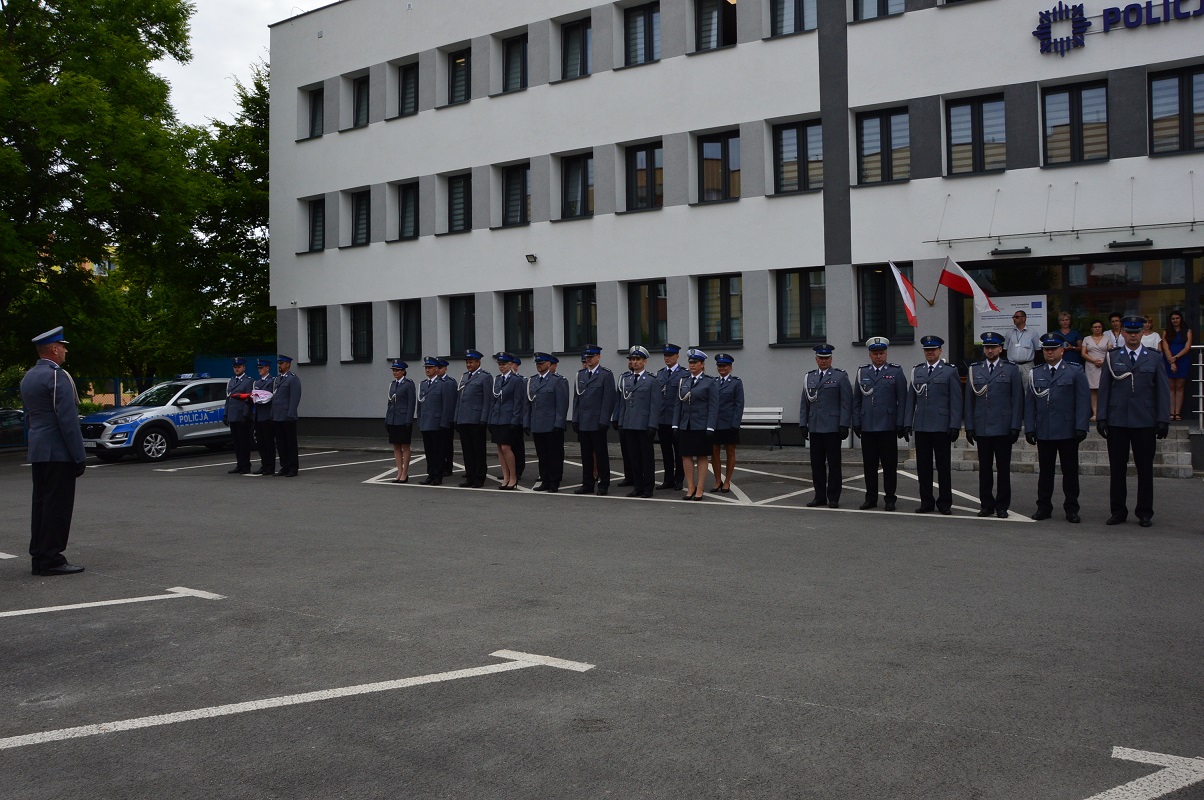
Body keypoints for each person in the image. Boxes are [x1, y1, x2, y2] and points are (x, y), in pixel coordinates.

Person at [20, 326, 87, 576]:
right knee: (57, 507)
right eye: (63, 347)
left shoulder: (28, 377)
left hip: (39, 449)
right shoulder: (58, 376)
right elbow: (67, 420)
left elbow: (30, 417)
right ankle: (52, 558)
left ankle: (40, 555)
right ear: (54, 349)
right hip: (59, 451)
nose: (66, 351)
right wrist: (79, 456)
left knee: (42, 505)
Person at [1097, 315, 1171, 527]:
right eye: (1128, 332)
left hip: (1145, 422)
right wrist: (1102, 417)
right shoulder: (1112, 357)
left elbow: (1163, 391)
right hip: (1118, 421)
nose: (1132, 336)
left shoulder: (1154, 358)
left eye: (1136, 332)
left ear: (1142, 333)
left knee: (1145, 469)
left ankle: (1145, 512)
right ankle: (1118, 511)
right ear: (1123, 333)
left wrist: (1163, 419)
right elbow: (1105, 389)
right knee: (1117, 469)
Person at [1025, 333, 1091, 523]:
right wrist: (1030, 427)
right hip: (1044, 430)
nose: (1050, 352)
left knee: (1070, 472)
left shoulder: (1074, 371)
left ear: (1062, 350)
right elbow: (1030, 404)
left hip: (1068, 430)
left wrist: (1081, 426)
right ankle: (1043, 507)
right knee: (1045, 473)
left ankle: (1071, 508)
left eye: (1053, 349)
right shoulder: (1036, 373)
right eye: (1046, 349)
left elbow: (1083, 401)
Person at [964, 332, 1023, 519]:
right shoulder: (975, 369)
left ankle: (1002, 505)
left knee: (1003, 469)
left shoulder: (1011, 369)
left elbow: (1017, 399)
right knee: (985, 469)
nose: (989, 350)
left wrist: (1015, 426)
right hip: (982, 426)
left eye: (993, 347)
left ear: (1000, 348)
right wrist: (969, 426)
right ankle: (986, 504)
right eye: (987, 347)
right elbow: (969, 401)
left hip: (1003, 427)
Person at [851, 336, 909, 511]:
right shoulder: (862, 372)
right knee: (869, 466)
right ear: (870, 354)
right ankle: (871, 498)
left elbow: (903, 400)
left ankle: (890, 499)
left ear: (886, 353)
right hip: (868, 425)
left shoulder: (896, 372)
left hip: (888, 426)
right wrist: (857, 422)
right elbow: (857, 400)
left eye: (881, 353)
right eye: (875, 353)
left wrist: (901, 423)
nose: (879, 356)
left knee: (889, 466)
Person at [909, 336, 962, 516]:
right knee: (923, 466)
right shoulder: (917, 371)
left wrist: (955, 424)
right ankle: (926, 501)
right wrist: (908, 422)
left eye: (933, 349)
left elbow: (956, 400)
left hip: (941, 425)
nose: (930, 352)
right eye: (927, 350)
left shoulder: (949, 371)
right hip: (922, 425)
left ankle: (945, 502)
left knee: (943, 466)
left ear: (940, 351)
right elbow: (911, 400)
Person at [800, 343, 852, 509]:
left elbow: (846, 402)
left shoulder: (840, 376)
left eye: (826, 358)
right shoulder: (810, 377)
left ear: (831, 358)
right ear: (816, 359)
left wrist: (844, 424)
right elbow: (804, 403)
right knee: (817, 465)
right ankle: (819, 496)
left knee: (834, 465)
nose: (824, 361)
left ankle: (834, 497)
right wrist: (803, 424)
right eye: (821, 358)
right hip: (815, 427)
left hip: (832, 427)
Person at [612, 346, 659, 497]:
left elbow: (655, 405)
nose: (635, 362)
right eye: (632, 359)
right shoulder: (626, 380)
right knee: (634, 457)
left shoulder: (652, 380)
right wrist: (620, 422)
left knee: (646, 458)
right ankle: (637, 486)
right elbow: (624, 403)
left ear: (644, 361)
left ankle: (648, 488)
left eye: (638, 359)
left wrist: (652, 425)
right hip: (629, 424)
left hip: (644, 425)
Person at [672, 348, 719, 500]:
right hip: (686, 424)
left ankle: (700, 487)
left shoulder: (709, 382)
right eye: (690, 362)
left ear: (702, 364)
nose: (692, 365)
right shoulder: (683, 381)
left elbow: (713, 406)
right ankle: (690, 486)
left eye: (695, 362)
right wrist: (675, 424)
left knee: (701, 456)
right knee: (685, 455)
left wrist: (710, 426)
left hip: (701, 425)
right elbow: (678, 404)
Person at [572, 344, 616, 495]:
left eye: (591, 357)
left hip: (597, 422)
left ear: (598, 357)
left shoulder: (605, 375)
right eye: (587, 357)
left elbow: (608, 399)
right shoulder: (581, 375)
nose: (588, 360)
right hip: (584, 421)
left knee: (601, 455)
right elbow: (576, 399)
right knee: (585, 455)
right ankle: (588, 483)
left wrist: (605, 420)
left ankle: (604, 483)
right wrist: (575, 418)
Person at [526, 352, 568, 492]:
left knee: (554, 455)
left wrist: (559, 423)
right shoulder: (533, 381)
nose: (539, 365)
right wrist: (528, 422)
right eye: (537, 363)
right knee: (542, 455)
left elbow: (562, 405)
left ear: (549, 364)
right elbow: (529, 404)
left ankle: (554, 482)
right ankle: (545, 480)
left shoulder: (557, 381)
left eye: (542, 363)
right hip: (538, 424)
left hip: (551, 424)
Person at [454, 350, 492, 488]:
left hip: (476, 420)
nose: (468, 365)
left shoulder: (485, 377)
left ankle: (479, 477)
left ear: (478, 362)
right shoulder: (464, 377)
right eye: (467, 362)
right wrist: (456, 418)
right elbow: (460, 399)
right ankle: (469, 476)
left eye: (471, 362)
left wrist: (484, 419)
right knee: (467, 450)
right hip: (464, 419)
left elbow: (487, 400)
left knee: (478, 450)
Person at [417, 356, 455, 486]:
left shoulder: (443, 384)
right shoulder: (423, 384)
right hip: (426, 423)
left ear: (436, 369)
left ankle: (438, 475)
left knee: (438, 451)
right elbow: (420, 405)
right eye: (426, 368)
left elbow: (447, 406)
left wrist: (444, 423)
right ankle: (431, 474)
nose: (427, 370)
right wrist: (419, 421)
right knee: (429, 452)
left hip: (437, 424)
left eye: (430, 368)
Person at [488, 352, 524, 489]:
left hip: (508, 418)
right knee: (499, 448)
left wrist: (515, 420)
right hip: (497, 418)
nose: (501, 367)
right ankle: (506, 476)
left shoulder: (516, 380)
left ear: (510, 365)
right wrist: (491, 418)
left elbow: (518, 402)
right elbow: (494, 400)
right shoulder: (498, 379)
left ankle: (513, 477)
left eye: (504, 364)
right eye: (499, 364)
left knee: (506, 448)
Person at [654, 344, 688, 491]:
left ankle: (679, 479)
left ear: (677, 356)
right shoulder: (660, 373)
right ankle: (668, 479)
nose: (667, 358)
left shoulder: (683, 374)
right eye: (665, 356)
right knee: (666, 450)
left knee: (679, 450)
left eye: (670, 355)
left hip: (677, 419)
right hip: (662, 418)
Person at [710, 353, 744, 494]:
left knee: (730, 451)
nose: (722, 368)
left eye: (724, 366)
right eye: (719, 366)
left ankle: (727, 481)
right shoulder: (713, 382)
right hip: (715, 423)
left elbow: (739, 404)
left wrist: (735, 424)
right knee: (714, 452)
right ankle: (718, 480)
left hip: (729, 423)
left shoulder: (736, 383)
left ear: (730, 367)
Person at [271, 355, 302, 477]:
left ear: (288, 364)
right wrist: (272, 414)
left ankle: (293, 468)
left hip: (288, 416)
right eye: (279, 363)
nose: (279, 365)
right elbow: (275, 398)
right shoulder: (277, 379)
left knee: (290, 443)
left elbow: (295, 398)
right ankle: (284, 466)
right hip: (278, 416)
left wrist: (291, 414)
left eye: (282, 363)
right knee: (280, 444)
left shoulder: (293, 379)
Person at [385, 360, 415, 483]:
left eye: (397, 370)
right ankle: (399, 471)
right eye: (393, 370)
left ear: (403, 371)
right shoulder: (392, 385)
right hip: (393, 419)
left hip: (403, 419)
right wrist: (387, 418)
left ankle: (405, 473)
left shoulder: (408, 384)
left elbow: (411, 403)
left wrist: (409, 420)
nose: (395, 372)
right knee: (396, 447)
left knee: (405, 446)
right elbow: (389, 403)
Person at [225, 357, 255, 475]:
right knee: (236, 443)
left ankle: (246, 465)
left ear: (244, 367)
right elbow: (228, 399)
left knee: (244, 443)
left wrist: (246, 415)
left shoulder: (248, 381)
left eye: (239, 367)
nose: (237, 369)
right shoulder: (231, 381)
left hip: (242, 416)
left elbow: (249, 399)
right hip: (233, 416)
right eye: (235, 367)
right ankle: (239, 464)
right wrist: (226, 414)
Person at [1161, 309, 1192, 421]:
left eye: (1177, 318)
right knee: (1170, 387)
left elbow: (1187, 347)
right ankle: (1170, 412)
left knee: (1179, 387)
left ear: (1181, 319)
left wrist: (1176, 358)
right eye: (1173, 318)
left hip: (1182, 360)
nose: (1175, 320)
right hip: (1168, 360)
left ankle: (1177, 412)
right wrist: (1171, 360)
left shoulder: (1187, 331)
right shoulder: (1166, 331)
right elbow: (1165, 347)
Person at [1080, 319, 1109, 420]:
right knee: (1093, 390)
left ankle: (1103, 413)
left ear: (1102, 328)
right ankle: (1095, 414)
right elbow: (1083, 353)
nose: (1097, 329)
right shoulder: (1087, 339)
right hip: (1091, 366)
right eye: (1095, 327)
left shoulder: (1107, 338)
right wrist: (1094, 361)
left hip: (1104, 365)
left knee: (1103, 389)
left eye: (1099, 327)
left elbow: (1111, 352)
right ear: (1091, 329)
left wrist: (1103, 362)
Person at [1004, 309, 1040, 389]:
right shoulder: (1009, 333)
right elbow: (1005, 348)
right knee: (1013, 388)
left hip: (1027, 366)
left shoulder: (1032, 332)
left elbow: (1038, 349)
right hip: (1013, 365)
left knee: (1028, 389)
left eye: (1016, 317)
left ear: (1024, 318)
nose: (1014, 319)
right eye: (1013, 317)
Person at [252, 359, 276, 475]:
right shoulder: (256, 383)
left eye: (261, 368)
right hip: (258, 415)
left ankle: (270, 466)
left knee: (268, 442)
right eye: (258, 368)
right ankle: (264, 464)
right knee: (261, 443)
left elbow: (269, 397)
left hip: (267, 415)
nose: (259, 370)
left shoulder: (272, 381)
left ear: (267, 368)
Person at [436, 357, 456, 477]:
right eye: (436, 368)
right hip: (436, 419)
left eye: (440, 368)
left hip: (448, 419)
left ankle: (448, 467)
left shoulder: (450, 382)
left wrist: (448, 420)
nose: (438, 370)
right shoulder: (434, 382)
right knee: (438, 445)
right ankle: (440, 465)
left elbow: (450, 403)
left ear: (445, 369)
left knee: (447, 444)